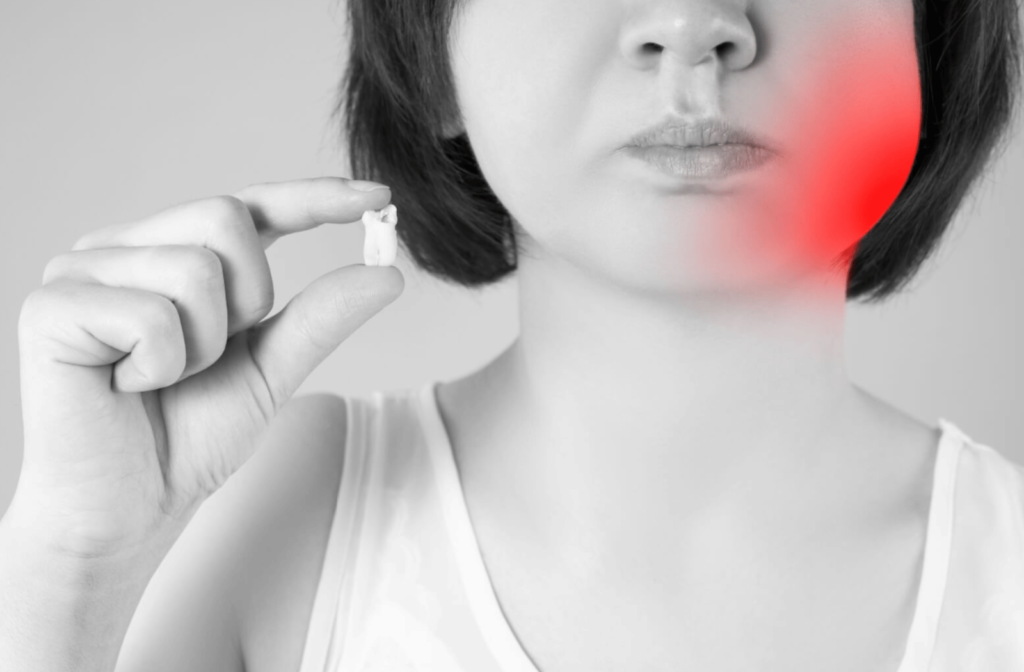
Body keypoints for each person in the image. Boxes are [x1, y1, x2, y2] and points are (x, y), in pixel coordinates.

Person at [2, 0, 1023, 670]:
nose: (693, 26)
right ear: (433, 59)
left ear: (931, 43)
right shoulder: (273, 519)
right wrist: (72, 569)